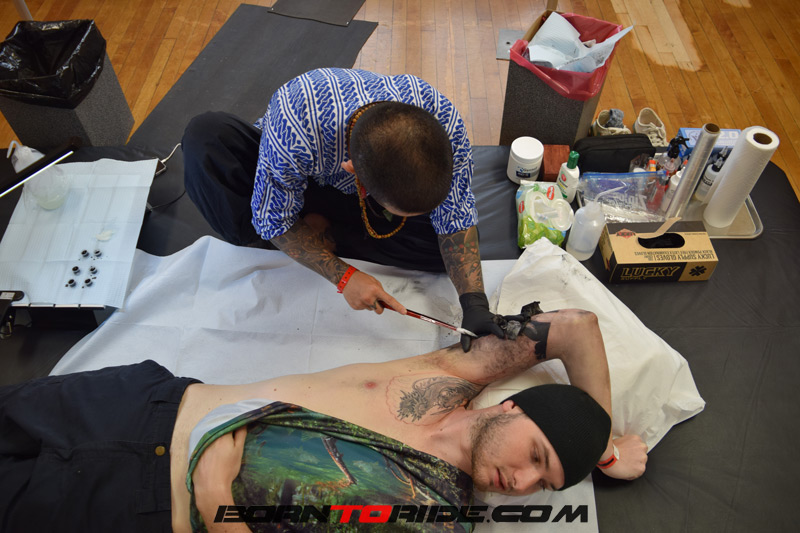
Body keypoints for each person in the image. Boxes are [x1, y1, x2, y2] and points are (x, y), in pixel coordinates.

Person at [0, 305, 648, 532]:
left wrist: (216, 494)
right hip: (146, 402)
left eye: (542, 484)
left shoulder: (436, 515)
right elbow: (574, 328)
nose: (522, 482)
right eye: (536, 455)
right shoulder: (447, 376)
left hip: (132, 501)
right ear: (513, 405)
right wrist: (601, 440)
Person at [182, 68, 504, 350]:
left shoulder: (444, 121)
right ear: (354, 175)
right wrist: (345, 276)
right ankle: (307, 232)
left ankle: (318, 230)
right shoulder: (296, 115)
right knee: (207, 137)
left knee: (441, 252)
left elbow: (455, 216)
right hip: (297, 177)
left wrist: (474, 302)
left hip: (362, 198)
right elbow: (273, 220)